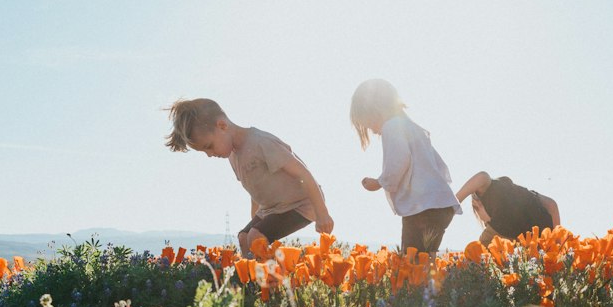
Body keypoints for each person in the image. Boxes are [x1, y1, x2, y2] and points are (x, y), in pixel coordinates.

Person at [165, 97, 333, 254]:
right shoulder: (233, 156)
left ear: (222, 126)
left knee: (256, 237)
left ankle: (275, 281)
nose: (209, 154)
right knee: (245, 238)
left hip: (302, 205)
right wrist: (256, 218)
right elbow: (255, 189)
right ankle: (253, 281)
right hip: (273, 208)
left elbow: (303, 173)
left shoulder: (261, 142)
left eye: (209, 146)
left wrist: (322, 213)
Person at [350, 79, 461, 254]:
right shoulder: (415, 129)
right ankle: (428, 281)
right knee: (425, 261)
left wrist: (379, 182)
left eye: (368, 124)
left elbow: (398, 161)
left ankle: (418, 281)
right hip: (441, 205)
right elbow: (439, 165)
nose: (371, 130)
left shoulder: (391, 126)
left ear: (375, 110)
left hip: (421, 208)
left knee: (411, 263)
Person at [455, 171, 559, 246]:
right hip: (532, 236)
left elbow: (482, 177)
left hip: (526, 236)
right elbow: (552, 205)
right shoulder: (505, 193)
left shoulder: (494, 192)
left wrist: (453, 203)